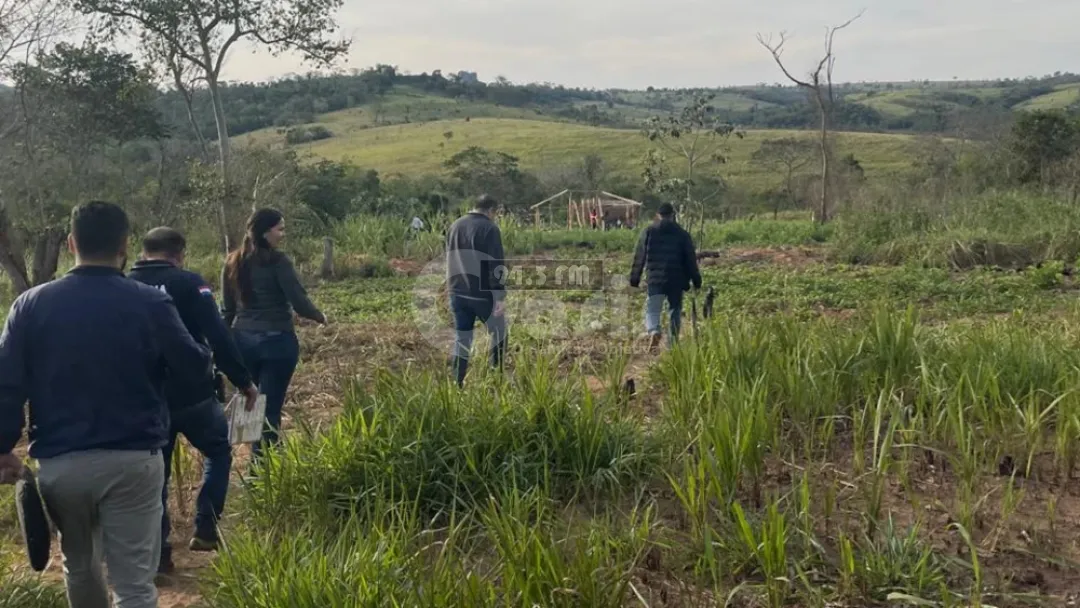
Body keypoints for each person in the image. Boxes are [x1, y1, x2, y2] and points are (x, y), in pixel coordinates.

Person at [0, 201, 212, 608]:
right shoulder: (150, 302)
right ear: (124, 246)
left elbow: (7, 385)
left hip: (62, 464)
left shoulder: (29, 305)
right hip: (133, 458)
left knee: (80, 568)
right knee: (134, 584)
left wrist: (2, 445)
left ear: (70, 243)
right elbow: (194, 369)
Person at [128, 227, 259, 574]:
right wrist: (243, 381)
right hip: (194, 393)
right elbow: (218, 333)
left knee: (157, 473)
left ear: (143, 253)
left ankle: (158, 556)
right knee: (217, 450)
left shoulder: (125, 286)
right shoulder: (189, 283)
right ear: (179, 253)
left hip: (146, 398)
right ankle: (205, 528)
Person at [222, 209, 326, 460]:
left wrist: (224, 343)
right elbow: (298, 301)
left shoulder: (232, 261)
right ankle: (263, 468)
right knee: (270, 406)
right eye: (280, 229)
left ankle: (247, 459)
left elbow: (227, 308)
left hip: (243, 340)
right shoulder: (279, 262)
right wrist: (319, 317)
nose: (283, 234)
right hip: (277, 341)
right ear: (265, 232)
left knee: (250, 400)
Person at [445, 194, 508, 386]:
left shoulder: (455, 225)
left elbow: (449, 256)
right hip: (481, 294)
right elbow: (495, 264)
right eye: (495, 213)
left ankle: (457, 381)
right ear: (491, 211)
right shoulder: (489, 228)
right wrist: (499, 296)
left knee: (462, 337)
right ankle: (495, 377)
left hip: (457, 292)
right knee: (499, 333)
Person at [629, 202, 702, 349]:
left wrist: (635, 278)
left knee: (653, 308)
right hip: (676, 279)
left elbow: (640, 256)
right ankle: (672, 343)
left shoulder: (649, 231)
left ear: (658, 215)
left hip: (655, 279)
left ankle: (654, 330)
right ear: (672, 215)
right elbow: (690, 259)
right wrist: (696, 279)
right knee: (674, 309)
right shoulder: (682, 234)